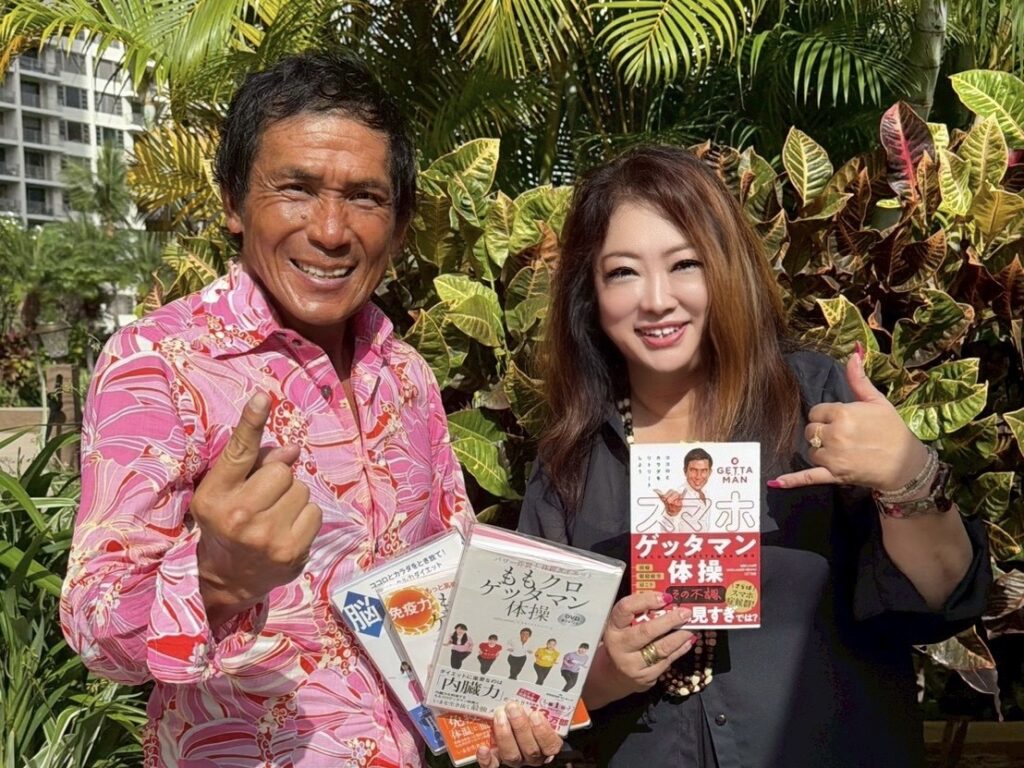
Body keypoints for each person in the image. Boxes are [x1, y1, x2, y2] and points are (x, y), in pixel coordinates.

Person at [61, 51, 559, 768]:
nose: (330, 229)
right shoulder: (158, 364)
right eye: (295, 188)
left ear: (400, 222)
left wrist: (500, 713)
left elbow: (444, 580)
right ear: (233, 202)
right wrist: (215, 578)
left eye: (365, 197)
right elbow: (94, 629)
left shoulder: (406, 375)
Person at [518, 145, 991, 768]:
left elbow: (942, 599)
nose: (656, 299)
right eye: (623, 272)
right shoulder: (570, 463)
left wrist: (909, 475)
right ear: (591, 293)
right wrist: (606, 673)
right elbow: (531, 687)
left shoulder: (815, 405)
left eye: (685, 264)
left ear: (727, 267)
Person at [638, 447, 713, 533]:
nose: (698, 477)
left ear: (710, 472)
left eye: (704, 471)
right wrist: (671, 514)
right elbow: (665, 532)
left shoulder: (706, 493)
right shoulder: (677, 497)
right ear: (685, 471)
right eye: (693, 470)